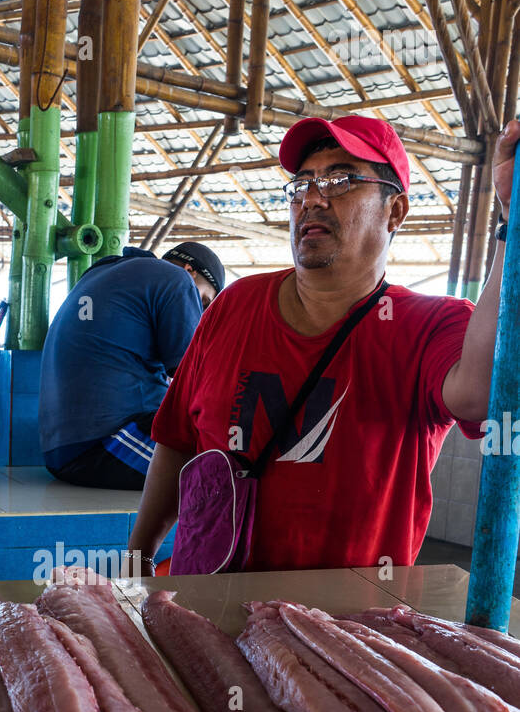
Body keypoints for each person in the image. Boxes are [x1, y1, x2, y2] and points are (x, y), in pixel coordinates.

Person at [127, 114, 520, 574]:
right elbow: (177, 441)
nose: (312, 198)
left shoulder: (429, 324)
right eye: (302, 185)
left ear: (395, 211)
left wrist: (510, 219)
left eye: (339, 180)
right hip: (200, 605)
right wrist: (139, 558)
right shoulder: (235, 304)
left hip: (340, 629)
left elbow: (479, 396)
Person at [39, 240, 225, 490]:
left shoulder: (103, 274)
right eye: (203, 301)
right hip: (103, 445)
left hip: (61, 447)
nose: (198, 312)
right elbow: (193, 377)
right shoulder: (177, 279)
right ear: (189, 270)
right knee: (229, 469)